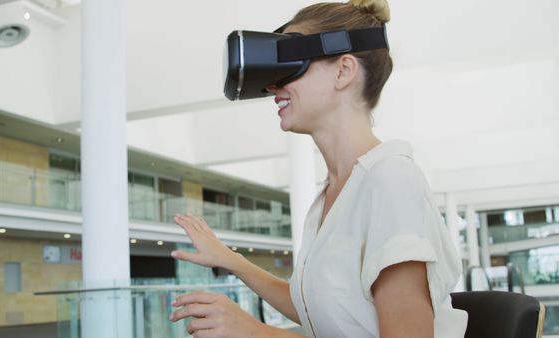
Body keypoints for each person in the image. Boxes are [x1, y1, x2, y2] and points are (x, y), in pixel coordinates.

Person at [169, 1, 468, 337]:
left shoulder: (390, 181)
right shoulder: (335, 190)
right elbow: (318, 310)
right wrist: (232, 261)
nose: (273, 86)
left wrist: (257, 332)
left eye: (291, 67)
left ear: (343, 71)